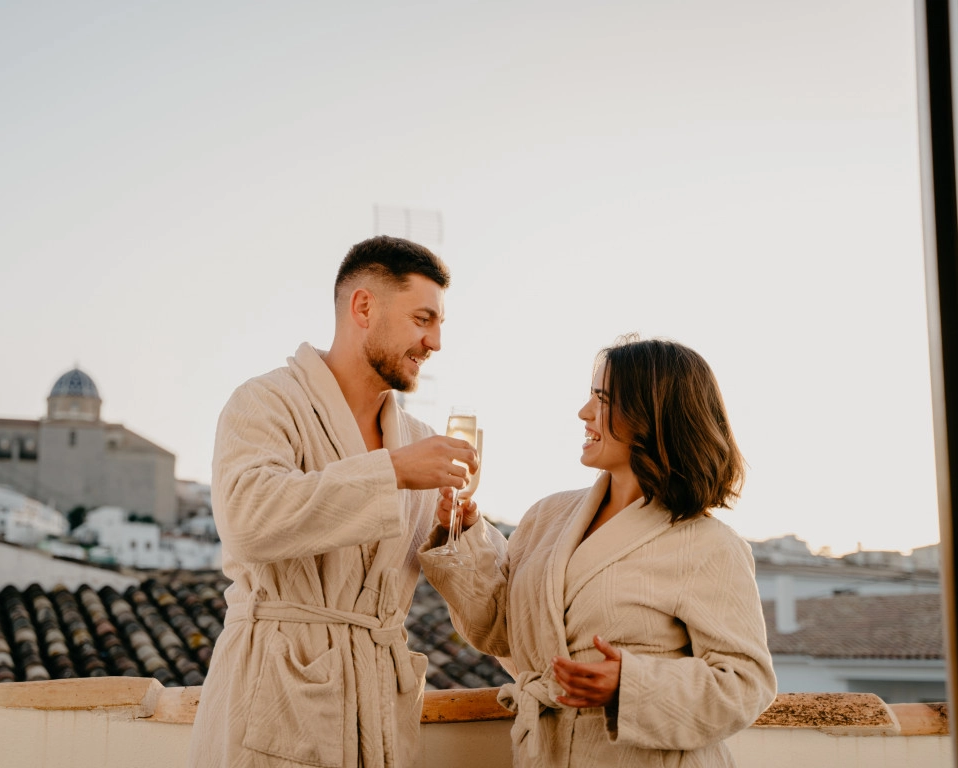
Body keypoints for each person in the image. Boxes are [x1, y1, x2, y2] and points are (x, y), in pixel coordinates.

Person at [188, 235, 479, 768]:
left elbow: (476, 610)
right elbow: (248, 519)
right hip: (276, 697)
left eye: (439, 325)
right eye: (422, 319)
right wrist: (392, 471)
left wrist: (447, 532)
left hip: (378, 710)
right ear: (364, 306)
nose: (435, 342)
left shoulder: (415, 434)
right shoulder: (267, 401)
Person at [419, 336, 777, 767]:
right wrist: (463, 529)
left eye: (602, 399)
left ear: (650, 414)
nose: (584, 412)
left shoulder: (708, 545)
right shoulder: (548, 516)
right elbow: (499, 631)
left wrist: (631, 685)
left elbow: (745, 684)